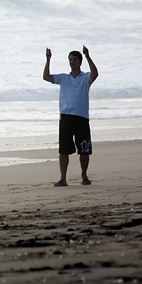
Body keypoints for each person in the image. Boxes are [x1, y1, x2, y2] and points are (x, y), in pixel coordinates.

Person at [43, 46, 98, 186]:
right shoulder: (64, 78)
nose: (72, 62)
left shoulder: (85, 78)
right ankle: (63, 178)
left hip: (81, 117)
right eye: (70, 59)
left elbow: (95, 74)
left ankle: (84, 176)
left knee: (84, 149)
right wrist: (48, 59)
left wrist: (87, 56)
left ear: (80, 62)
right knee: (63, 150)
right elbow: (46, 77)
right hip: (66, 117)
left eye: (75, 59)